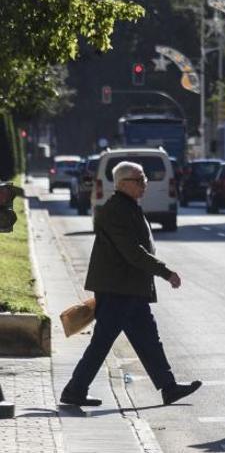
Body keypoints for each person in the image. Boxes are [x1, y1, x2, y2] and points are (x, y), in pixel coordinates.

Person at [60, 162, 201, 407]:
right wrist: (165, 272)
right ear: (123, 183)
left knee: (149, 339)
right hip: (118, 290)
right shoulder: (116, 210)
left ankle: (168, 387)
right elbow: (132, 252)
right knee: (103, 342)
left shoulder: (128, 207)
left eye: (144, 178)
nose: (144, 183)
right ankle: (75, 390)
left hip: (130, 289)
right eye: (139, 180)